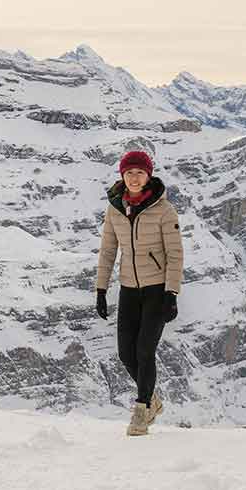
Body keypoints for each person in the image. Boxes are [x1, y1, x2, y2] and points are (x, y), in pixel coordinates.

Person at [94, 148, 182, 436]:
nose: (134, 177)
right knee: (125, 353)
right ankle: (153, 399)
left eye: (139, 173)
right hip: (129, 289)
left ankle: (142, 409)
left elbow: (175, 254)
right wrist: (101, 289)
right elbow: (108, 250)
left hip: (156, 290)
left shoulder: (164, 209)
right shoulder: (115, 208)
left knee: (145, 350)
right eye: (129, 172)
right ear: (122, 175)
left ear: (148, 175)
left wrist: (172, 293)